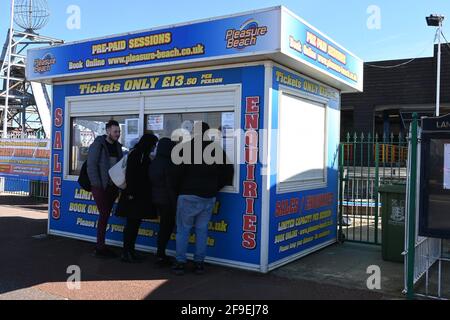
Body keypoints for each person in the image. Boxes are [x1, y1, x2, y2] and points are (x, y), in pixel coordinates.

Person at [171, 122, 234, 275]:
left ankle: (180, 262)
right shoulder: (215, 149)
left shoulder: (185, 148)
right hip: (208, 197)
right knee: (202, 230)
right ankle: (199, 263)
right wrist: (214, 187)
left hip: (187, 195)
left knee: (183, 230)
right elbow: (228, 171)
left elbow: (175, 174)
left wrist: (179, 190)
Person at [116, 133, 159, 263]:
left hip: (134, 196)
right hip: (134, 197)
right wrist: (130, 193)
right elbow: (131, 175)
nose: (154, 147)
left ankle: (130, 251)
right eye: (153, 145)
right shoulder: (139, 155)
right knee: (132, 225)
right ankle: (127, 252)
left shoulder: (138, 153)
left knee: (133, 225)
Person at [87, 120, 123, 258]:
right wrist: (97, 185)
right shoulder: (98, 145)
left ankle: (101, 246)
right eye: (115, 131)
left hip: (112, 187)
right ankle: (100, 247)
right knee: (104, 215)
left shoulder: (118, 147)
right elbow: (91, 166)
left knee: (106, 214)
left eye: (119, 132)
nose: (117, 134)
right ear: (108, 131)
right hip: (101, 187)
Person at [149, 138, 177, 266]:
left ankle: (160, 253)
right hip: (167, 200)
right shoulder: (169, 163)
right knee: (166, 227)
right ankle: (161, 254)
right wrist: (175, 203)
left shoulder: (154, 162)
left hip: (156, 198)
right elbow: (170, 186)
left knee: (163, 227)